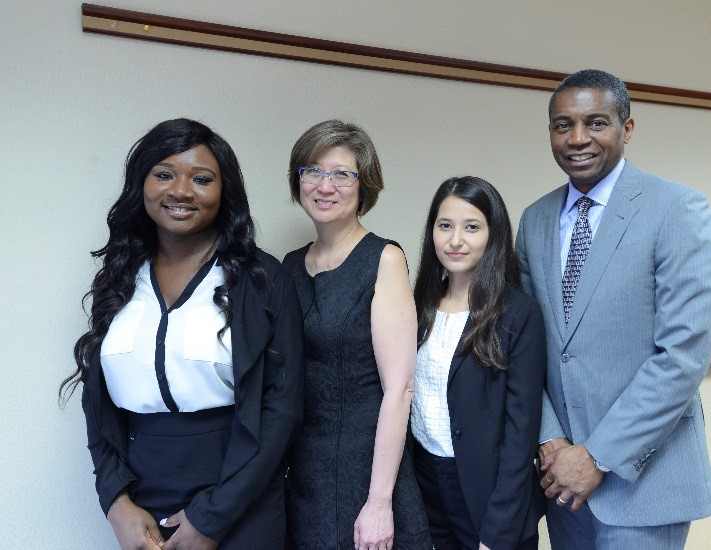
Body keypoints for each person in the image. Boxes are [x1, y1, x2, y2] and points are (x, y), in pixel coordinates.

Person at [60, 118, 304, 549]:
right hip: (142, 499)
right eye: (164, 174)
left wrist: (212, 518)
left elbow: (281, 411)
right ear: (141, 184)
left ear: (224, 190)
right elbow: (96, 402)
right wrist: (116, 502)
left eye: (202, 179)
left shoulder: (262, 279)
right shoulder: (118, 276)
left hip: (241, 496)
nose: (181, 191)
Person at [516, 69, 711, 549]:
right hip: (561, 482)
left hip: (644, 480)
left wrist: (597, 456)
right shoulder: (535, 220)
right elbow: (526, 345)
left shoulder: (677, 209)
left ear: (626, 129)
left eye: (596, 122)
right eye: (562, 125)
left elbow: (683, 357)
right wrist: (551, 444)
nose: (578, 138)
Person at [281, 119, 430, 549]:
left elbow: (399, 388)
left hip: (366, 470)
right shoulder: (289, 267)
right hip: (303, 469)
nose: (325, 186)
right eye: (312, 171)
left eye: (341, 174)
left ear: (364, 186)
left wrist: (379, 502)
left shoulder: (383, 259)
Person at [411, 176, 546, 550]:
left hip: (489, 494)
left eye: (472, 227)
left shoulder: (518, 313)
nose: (456, 240)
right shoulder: (419, 305)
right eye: (445, 226)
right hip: (425, 484)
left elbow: (521, 434)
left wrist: (498, 531)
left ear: (493, 234)